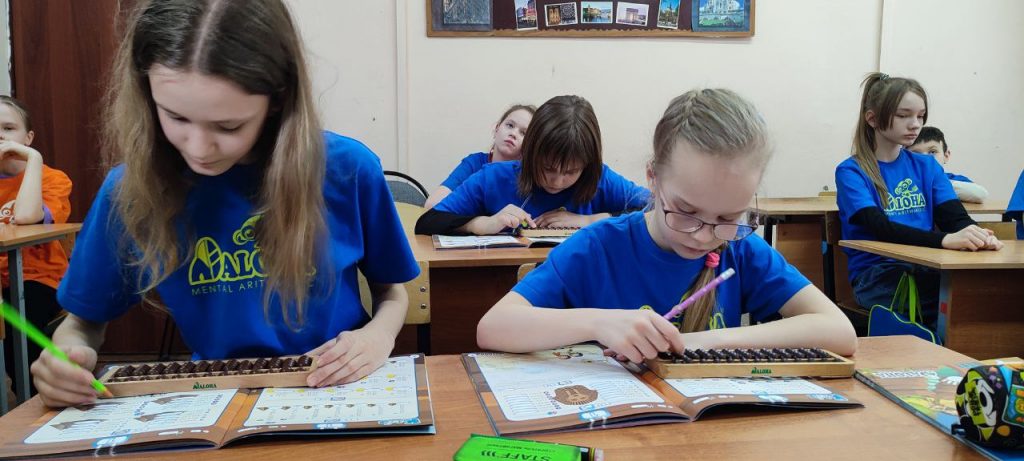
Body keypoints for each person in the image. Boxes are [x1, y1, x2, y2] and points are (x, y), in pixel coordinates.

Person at [30, 0, 419, 407]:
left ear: (278, 99)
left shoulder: (347, 169)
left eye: (228, 126)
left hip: (337, 389)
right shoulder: (129, 191)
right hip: (213, 399)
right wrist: (64, 358)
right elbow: (82, 324)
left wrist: (377, 337)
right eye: (176, 118)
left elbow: (392, 293)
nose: (199, 149)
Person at [476, 89, 856, 362]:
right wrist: (599, 324)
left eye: (728, 218)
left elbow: (839, 331)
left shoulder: (740, 249)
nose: (705, 236)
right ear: (653, 178)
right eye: (686, 211)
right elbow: (493, 326)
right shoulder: (598, 247)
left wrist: (703, 343)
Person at [835, 73, 1002, 330]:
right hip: (877, 276)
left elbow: (955, 218)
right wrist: (944, 240)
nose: (915, 125)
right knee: (965, 298)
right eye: (903, 116)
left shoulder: (927, 166)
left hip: (927, 266)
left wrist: (978, 236)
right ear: (872, 119)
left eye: (920, 116)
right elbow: (880, 227)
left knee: (991, 289)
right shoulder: (851, 171)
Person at [416, 95, 649, 236]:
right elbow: (428, 221)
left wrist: (589, 220)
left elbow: (656, 207)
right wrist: (482, 224)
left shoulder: (599, 179)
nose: (557, 181)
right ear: (530, 153)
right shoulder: (493, 177)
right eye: (547, 168)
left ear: (587, 165)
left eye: (571, 172)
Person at [0, 96, 73, 394]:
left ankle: (32, 398)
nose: (1, 136)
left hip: (38, 279)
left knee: (20, 317)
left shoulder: (53, 179)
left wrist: (33, 159)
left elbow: (27, 216)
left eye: (8, 128)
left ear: (28, 137)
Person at [423, 104, 535, 209]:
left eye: (523, 133)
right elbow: (432, 204)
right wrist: (483, 221)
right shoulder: (474, 163)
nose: (513, 133)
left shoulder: (529, 177)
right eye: (510, 125)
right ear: (497, 129)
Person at [908, 126, 989, 203]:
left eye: (932, 152)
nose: (925, 159)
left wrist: (936, 184)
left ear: (946, 156)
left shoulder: (953, 179)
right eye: (916, 154)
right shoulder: (903, 181)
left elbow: (980, 194)